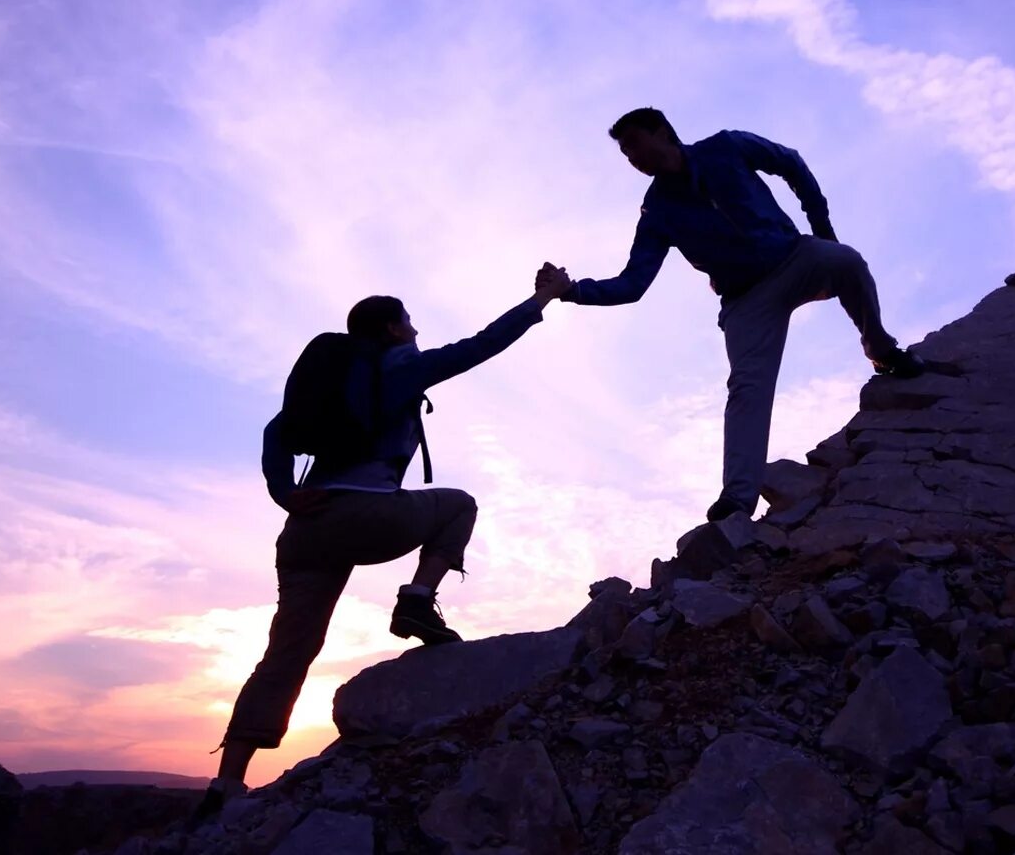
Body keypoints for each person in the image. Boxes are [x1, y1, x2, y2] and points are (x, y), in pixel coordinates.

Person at [194, 265, 573, 817]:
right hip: (366, 516)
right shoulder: (399, 368)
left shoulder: (334, 381)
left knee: (286, 653)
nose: (416, 331)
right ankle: (417, 600)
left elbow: (276, 431)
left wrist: (284, 493)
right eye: (410, 323)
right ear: (394, 329)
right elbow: (482, 346)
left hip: (305, 530)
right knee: (458, 505)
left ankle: (225, 785)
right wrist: (542, 298)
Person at [539, 107, 927, 524]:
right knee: (747, 388)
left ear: (662, 131)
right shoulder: (656, 212)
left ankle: (881, 349)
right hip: (746, 301)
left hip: (794, 257)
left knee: (847, 261)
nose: (631, 158)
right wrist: (572, 291)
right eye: (624, 153)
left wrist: (822, 230)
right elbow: (633, 284)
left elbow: (790, 162)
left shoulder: (726, 147)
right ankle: (738, 499)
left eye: (633, 144)